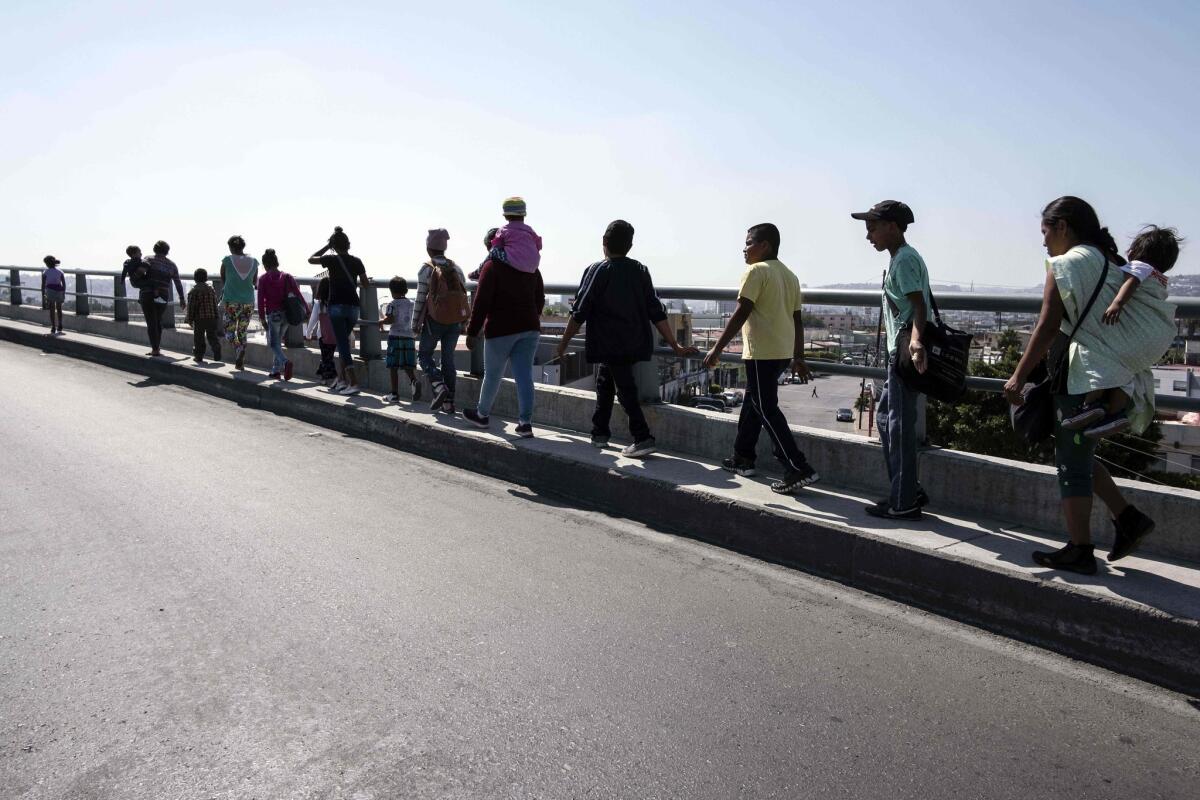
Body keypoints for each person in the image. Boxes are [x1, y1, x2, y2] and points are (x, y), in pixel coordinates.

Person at [1003, 196, 1158, 574]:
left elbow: (1047, 324)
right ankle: (1127, 517)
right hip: (1112, 376)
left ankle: (1080, 549)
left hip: (1081, 376)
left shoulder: (1066, 264)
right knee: (1079, 452)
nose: (1043, 242)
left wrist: (1019, 375)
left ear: (1063, 227)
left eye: (1045, 232)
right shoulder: (1111, 261)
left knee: (1070, 464)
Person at [556, 219, 696, 457]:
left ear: (604, 242)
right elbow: (657, 312)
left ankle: (642, 437)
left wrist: (563, 343)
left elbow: (580, 311)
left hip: (609, 343)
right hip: (634, 342)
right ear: (630, 246)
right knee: (605, 381)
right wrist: (675, 345)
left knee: (625, 388)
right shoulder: (640, 270)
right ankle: (599, 432)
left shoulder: (597, 270)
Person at [703, 223, 819, 493]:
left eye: (749, 243)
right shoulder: (789, 275)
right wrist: (798, 356)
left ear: (764, 245)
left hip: (760, 353)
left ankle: (797, 466)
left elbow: (741, 312)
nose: (743, 249)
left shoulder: (755, 271)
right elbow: (797, 320)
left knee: (766, 407)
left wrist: (717, 348)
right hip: (781, 353)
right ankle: (743, 458)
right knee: (753, 404)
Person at [850, 200, 932, 520]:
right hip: (898, 352)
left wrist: (915, 343)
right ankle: (907, 488)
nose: (869, 235)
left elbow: (919, 305)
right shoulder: (900, 258)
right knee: (885, 417)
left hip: (904, 351)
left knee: (898, 426)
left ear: (893, 227)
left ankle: (905, 501)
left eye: (873, 228)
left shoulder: (906, 259)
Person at [1062, 225, 1183, 438]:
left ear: (1138, 250)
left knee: (1102, 357)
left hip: (1133, 339)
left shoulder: (1140, 267)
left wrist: (1117, 303)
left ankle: (1091, 405)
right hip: (1153, 339)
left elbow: (1132, 282)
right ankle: (1115, 414)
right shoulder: (1160, 278)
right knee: (1127, 371)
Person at [462, 236, 545, 437]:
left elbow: (481, 303)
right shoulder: (531, 266)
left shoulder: (491, 266)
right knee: (524, 376)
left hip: (500, 329)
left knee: (492, 375)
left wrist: (472, 332)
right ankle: (525, 423)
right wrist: (530, 317)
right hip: (529, 328)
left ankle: (482, 415)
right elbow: (540, 298)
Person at [412, 228, 468, 413]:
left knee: (424, 355)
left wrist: (414, 324)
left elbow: (421, 298)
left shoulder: (426, 269)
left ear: (429, 248)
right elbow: (462, 296)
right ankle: (449, 402)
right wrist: (464, 320)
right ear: (444, 248)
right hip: (454, 321)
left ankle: (438, 385)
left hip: (433, 320)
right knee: (448, 360)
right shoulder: (456, 268)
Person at [309, 226, 369, 395]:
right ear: (349, 244)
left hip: (336, 307)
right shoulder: (357, 261)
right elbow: (365, 284)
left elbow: (311, 259)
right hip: (353, 307)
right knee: (342, 344)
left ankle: (354, 383)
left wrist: (328, 247)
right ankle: (342, 380)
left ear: (335, 246)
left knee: (342, 345)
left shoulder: (331, 260)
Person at [257, 249, 308, 380]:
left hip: (273, 315)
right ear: (276, 262)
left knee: (273, 344)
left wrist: (262, 318)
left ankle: (286, 362)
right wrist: (306, 309)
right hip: (286, 314)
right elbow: (298, 293)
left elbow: (260, 300)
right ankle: (275, 371)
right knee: (278, 343)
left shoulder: (263, 279)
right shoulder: (287, 277)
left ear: (265, 264)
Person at [136, 240, 186, 357]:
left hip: (148, 294)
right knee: (157, 321)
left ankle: (155, 349)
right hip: (163, 296)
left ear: (155, 249)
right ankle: (157, 347)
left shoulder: (149, 259)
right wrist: (182, 299)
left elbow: (140, 272)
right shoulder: (172, 265)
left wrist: (136, 277)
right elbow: (178, 283)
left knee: (151, 322)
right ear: (167, 251)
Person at [219, 235, 258, 371]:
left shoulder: (227, 260)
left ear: (230, 247)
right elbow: (254, 281)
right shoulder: (254, 261)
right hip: (248, 302)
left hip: (231, 302)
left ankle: (238, 348)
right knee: (242, 331)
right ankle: (240, 362)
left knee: (229, 332)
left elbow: (223, 278)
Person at [380, 277, 419, 403]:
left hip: (395, 336)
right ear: (406, 290)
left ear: (391, 291)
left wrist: (381, 322)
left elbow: (390, 320)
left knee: (393, 366)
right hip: (409, 337)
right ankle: (413, 380)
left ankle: (394, 393)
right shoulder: (412, 303)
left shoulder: (391, 304)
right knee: (408, 363)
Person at [486, 197, 542, 272]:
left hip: (514, 262)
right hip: (533, 264)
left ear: (506, 216)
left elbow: (496, 244)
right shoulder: (530, 230)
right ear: (523, 215)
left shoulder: (503, 229)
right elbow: (539, 245)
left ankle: (478, 272)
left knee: (493, 251)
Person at [307, 276, 339, 385]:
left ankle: (335, 377)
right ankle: (323, 378)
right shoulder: (336, 303)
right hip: (335, 335)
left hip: (323, 336)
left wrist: (308, 333)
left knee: (327, 358)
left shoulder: (318, 304)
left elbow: (313, 320)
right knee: (327, 356)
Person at [186, 268, 222, 363]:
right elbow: (215, 304)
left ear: (195, 279)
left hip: (200, 319)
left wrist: (189, 319)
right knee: (212, 336)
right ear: (206, 278)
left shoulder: (193, 291)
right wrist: (216, 316)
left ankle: (199, 356)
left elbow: (191, 307)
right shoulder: (211, 290)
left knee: (199, 338)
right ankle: (216, 348)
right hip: (212, 317)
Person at [41, 255, 66, 334]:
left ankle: (53, 326)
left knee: (52, 309)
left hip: (50, 291)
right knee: (59, 308)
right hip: (59, 290)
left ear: (47, 264)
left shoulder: (45, 272)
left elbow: (43, 284)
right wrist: (63, 293)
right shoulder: (60, 271)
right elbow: (64, 283)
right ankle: (60, 324)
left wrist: (43, 294)